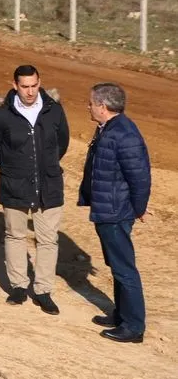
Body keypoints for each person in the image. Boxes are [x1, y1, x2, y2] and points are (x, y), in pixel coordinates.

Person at [0, 64, 70, 315]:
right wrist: (13, 169)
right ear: (15, 86)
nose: (30, 92)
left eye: (34, 85)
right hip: (15, 184)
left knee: (48, 239)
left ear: (39, 82)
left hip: (49, 184)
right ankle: (19, 286)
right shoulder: (1, 113)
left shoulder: (54, 109)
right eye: (25, 87)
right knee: (15, 235)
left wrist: (47, 166)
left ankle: (43, 290)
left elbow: (61, 143)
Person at [78, 82, 151, 344]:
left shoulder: (123, 134)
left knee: (124, 269)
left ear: (103, 106)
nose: (88, 106)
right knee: (116, 265)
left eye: (91, 103)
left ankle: (133, 327)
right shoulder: (111, 129)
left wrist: (139, 208)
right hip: (108, 209)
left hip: (116, 212)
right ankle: (121, 315)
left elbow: (140, 177)